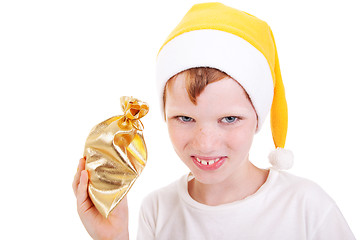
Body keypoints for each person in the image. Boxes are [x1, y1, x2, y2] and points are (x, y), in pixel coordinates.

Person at [73, 2, 355, 239]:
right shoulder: (157, 211)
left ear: (258, 117)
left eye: (229, 118)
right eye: (185, 117)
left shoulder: (306, 207)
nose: (205, 143)